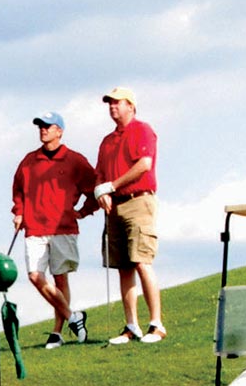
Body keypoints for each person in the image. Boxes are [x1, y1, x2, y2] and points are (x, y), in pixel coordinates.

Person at [11, 111, 95, 348]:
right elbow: (18, 189)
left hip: (63, 227)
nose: (43, 130)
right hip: (35, 227)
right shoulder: (29, 161)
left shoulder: (75, 160)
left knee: (60, 279)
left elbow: (94, 188)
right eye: (40, 126)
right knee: (35, 276)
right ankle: (73, 317)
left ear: (59, 131)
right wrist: (19, 211)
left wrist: (84, 211)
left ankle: (57, 333)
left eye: (48, 126)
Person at [92, 87, 164, 344]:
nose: (112, 107)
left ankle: (156, 324)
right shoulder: (107, 141)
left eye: (117, 103)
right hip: (115, 205)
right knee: (123, 266)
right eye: (110, 104)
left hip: (138, 200)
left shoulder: (142, 129)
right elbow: (100, 173)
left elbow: (144, 164)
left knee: (142, 261)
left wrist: (112, 186)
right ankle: (131, 325)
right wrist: (102, 191)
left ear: (130, 106)